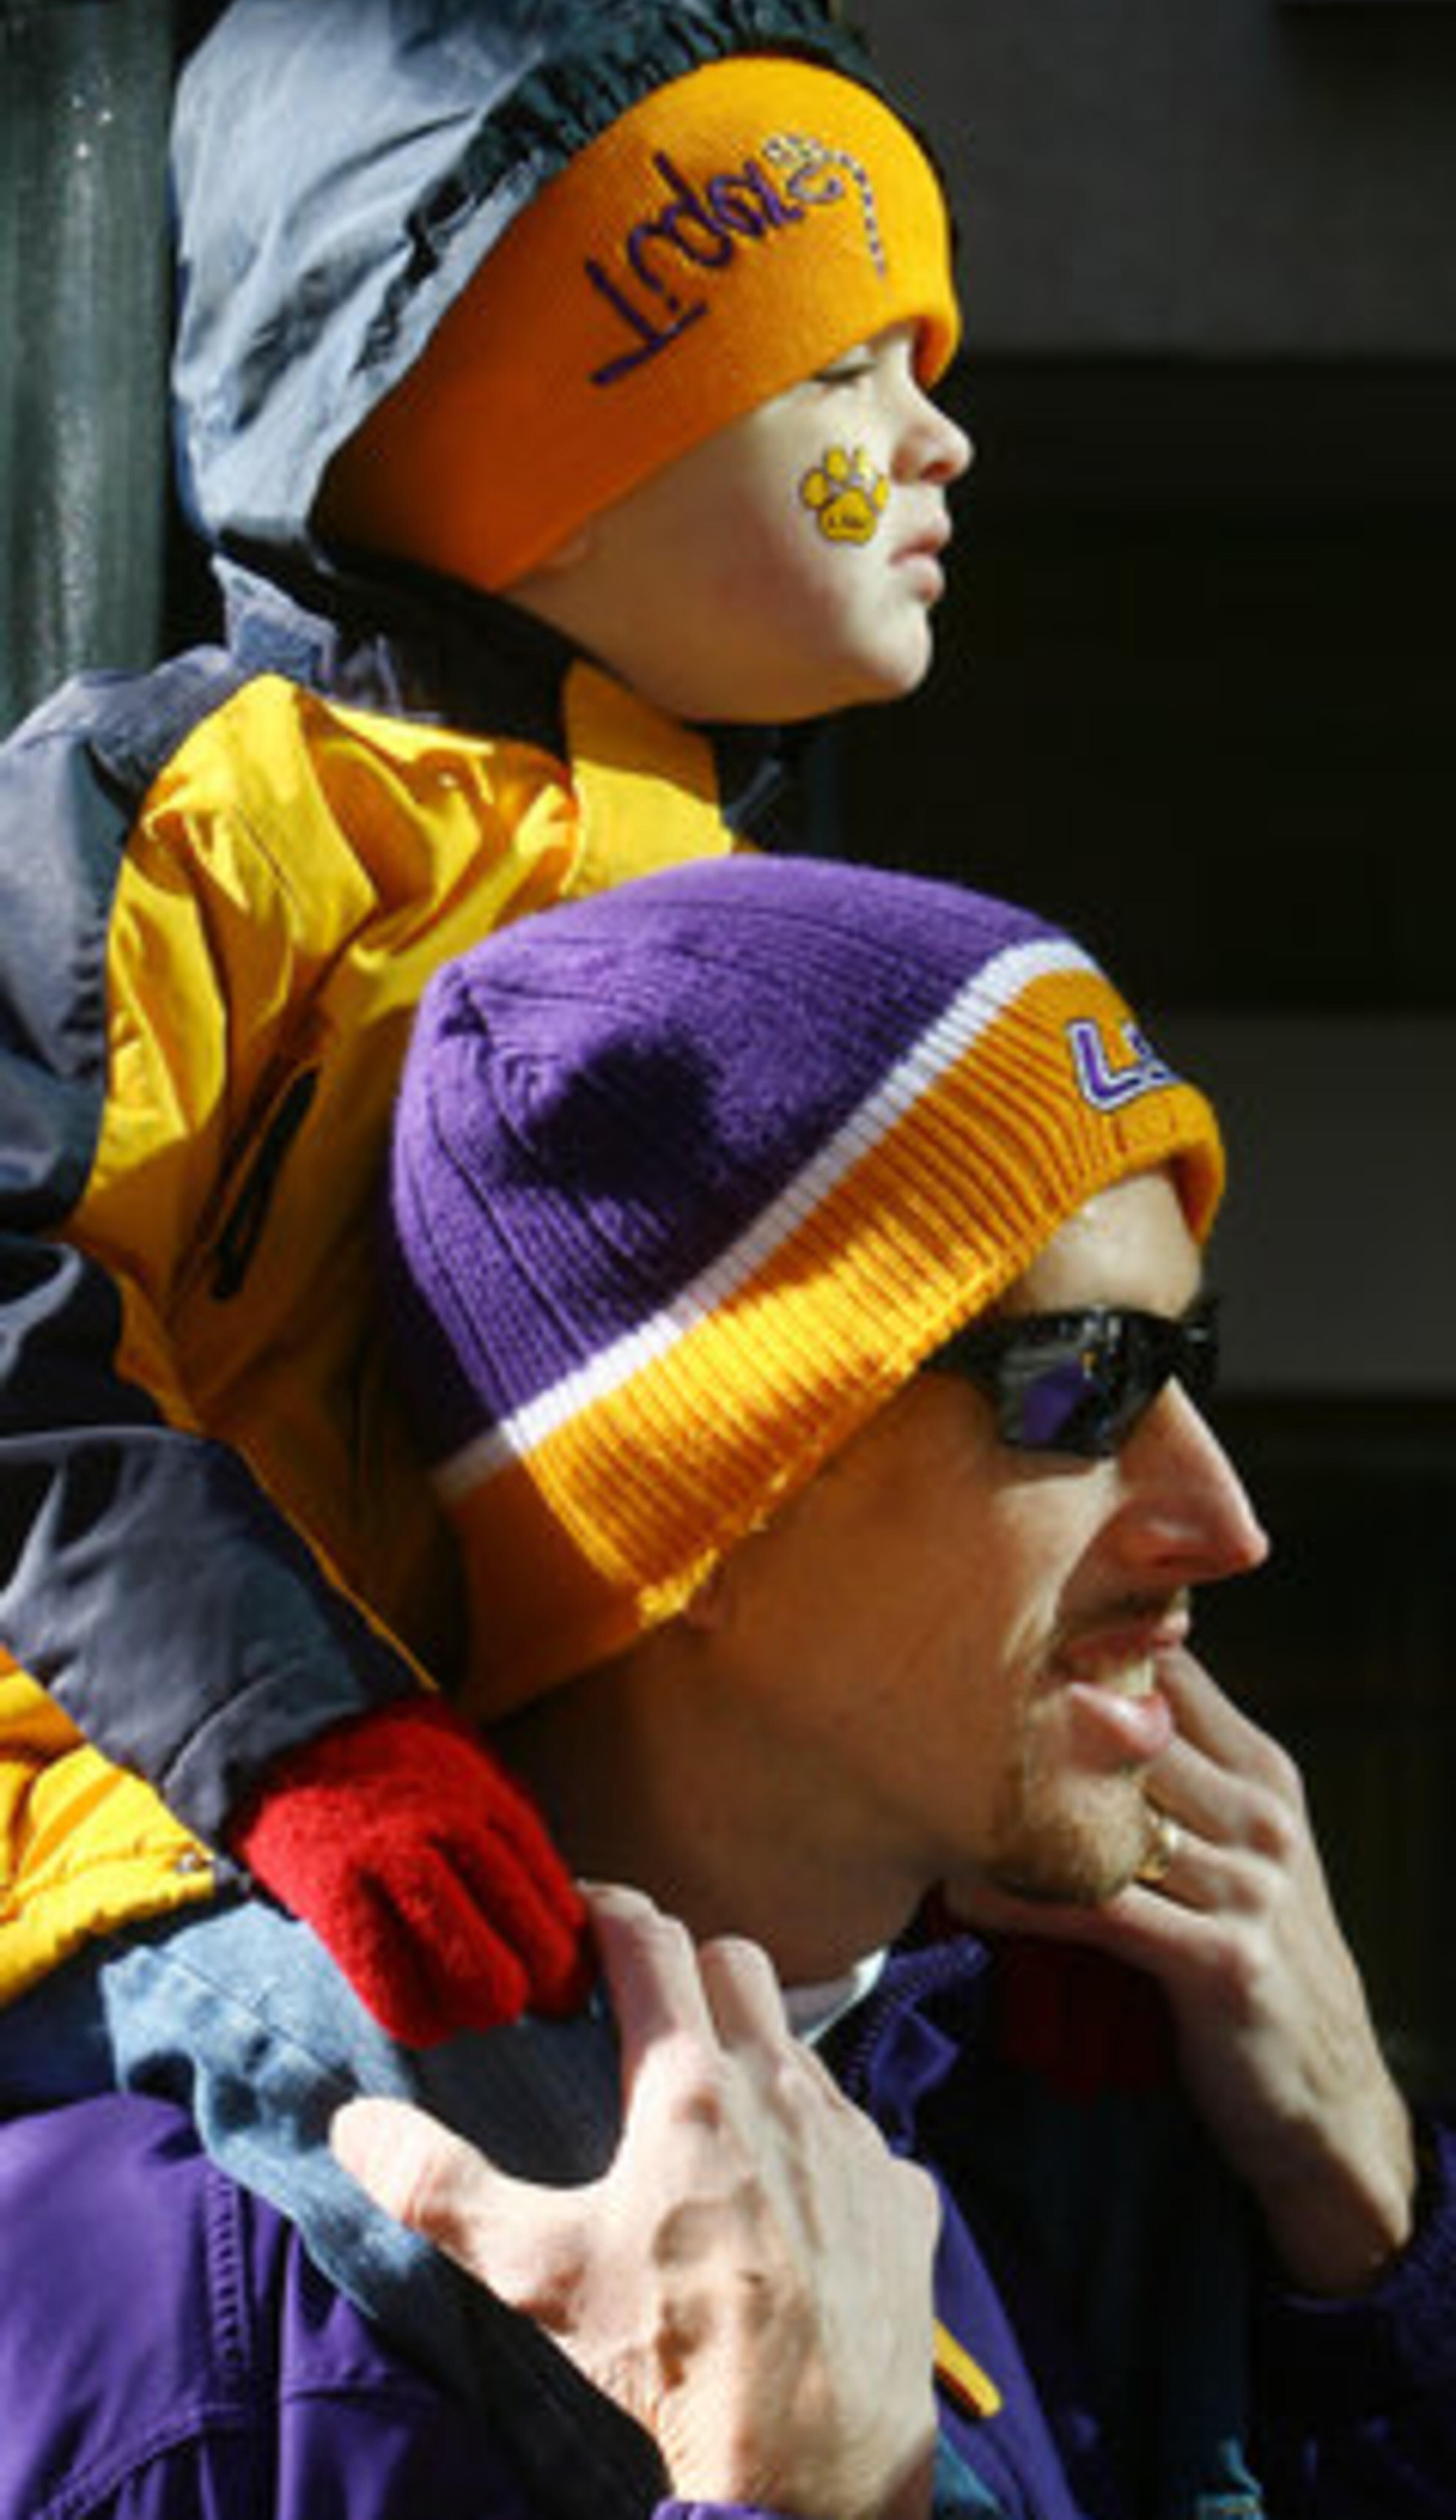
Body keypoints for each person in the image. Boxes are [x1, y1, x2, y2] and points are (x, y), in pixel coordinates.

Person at [3, 855, 1448, 2520]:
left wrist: (1369, 2241)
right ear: (693, 1496)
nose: (1228, 1524)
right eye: (1088, 1384)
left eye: (1193, 1361)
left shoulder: (1082, 2150)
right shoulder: (162, 2315)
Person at [0, 0, 967, 2060]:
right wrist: (300, 1744)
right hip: (137, 1823)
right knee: (539, 2178)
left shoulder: (757, 896)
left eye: (928, 362)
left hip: (581, 1859)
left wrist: (1004, 1844)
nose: (938, 443)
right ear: (518, 428)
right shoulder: (185, 809)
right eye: (838, 369)